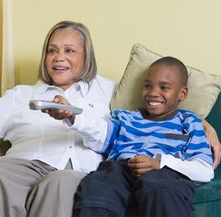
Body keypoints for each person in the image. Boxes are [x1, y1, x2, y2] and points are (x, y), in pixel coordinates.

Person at [0, 20, 220, 217]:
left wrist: (202, 124)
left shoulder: (109, 91)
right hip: (22, 165)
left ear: (86, 57)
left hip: (74, 172)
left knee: (61, 183)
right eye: (52, 50)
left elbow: (157, 110)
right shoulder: (22, 94)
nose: (60, 58)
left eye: (70, 51)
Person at [72, 57, 214, 217]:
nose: (153, 93)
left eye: (164, 87)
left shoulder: (189, 122)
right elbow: (100, 135)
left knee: (163, 190)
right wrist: (73, 117)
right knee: (97, 187)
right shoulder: (126, 117)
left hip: (165, 174)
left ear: (182, 93)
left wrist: (160, 163)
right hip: (121, 170)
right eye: (147, 86)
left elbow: (204, 171)